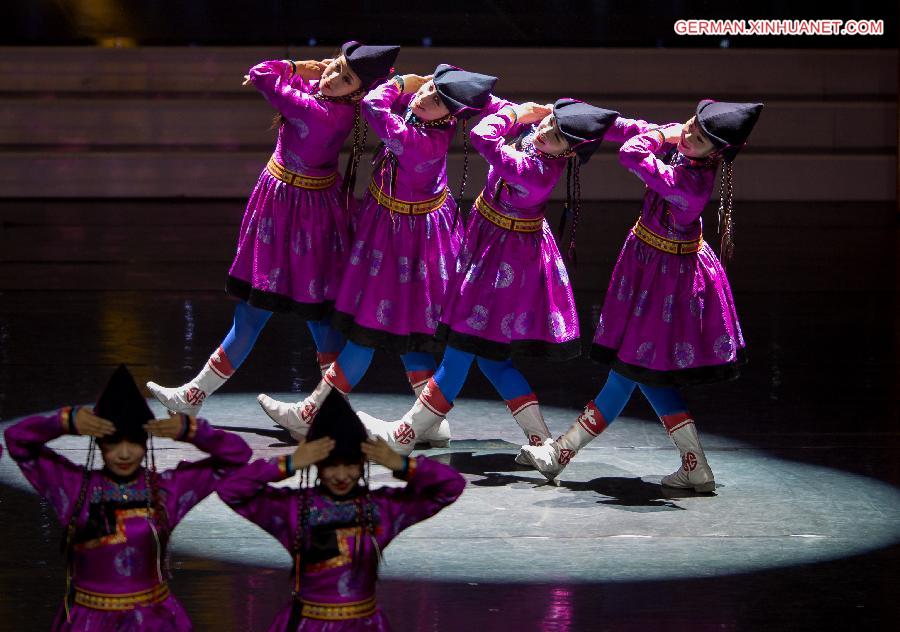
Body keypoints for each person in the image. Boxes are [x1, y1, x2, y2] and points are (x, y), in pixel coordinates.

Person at [518, 100, 764, 490]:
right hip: (650, 269)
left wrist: (661, 135)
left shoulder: (690, 184)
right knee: (645, 374)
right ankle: (694, 466)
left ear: (716, 153)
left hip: (669, 285)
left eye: (697, 139)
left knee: (628, 370)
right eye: (689, 126)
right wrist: (583, 123)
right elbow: (624, 131)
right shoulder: (680, 148)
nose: (686, 136)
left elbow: (632, 154)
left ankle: (560, 453)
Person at [258, 63, 505, 447]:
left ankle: (313, 413)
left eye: (436, 99)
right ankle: (432, 422)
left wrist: (407, 82)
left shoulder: (418, 138)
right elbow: (485, 102)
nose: (423, 98)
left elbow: (374, 104)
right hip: (394, 227)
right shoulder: (427, 117)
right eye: (428, 91)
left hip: (405, 242)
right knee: (404, 329)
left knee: (369, 327)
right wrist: (513, 109)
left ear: (452, 114)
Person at [147, 41, 400, 416]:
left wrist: (298, 67)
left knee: (309, 313)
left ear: (359, 91)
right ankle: (195, 395)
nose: (331, 78)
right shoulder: (338, 103)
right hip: (296, 206)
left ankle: (325, 408)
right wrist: (320, 73)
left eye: (344, 78)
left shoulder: (318, 111)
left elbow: (263, 73)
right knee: (265, 310)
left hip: (299, 214)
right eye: (335, 67)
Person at [361, 98, 624, 454]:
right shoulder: (539, 139)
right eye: (549, 123)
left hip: (504, 266)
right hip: (490, 249)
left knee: (460, 349)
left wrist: (518, 113)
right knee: (490, 357)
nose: (545, 130)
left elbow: (486, 137)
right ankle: (541, 440)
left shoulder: (535, 171)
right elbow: (493, 106)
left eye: (558, 136)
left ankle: (403, 436)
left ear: (571, 153)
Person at [3, 365, 252, 630]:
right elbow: (16, 441)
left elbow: (237, 456)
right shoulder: (74, 487)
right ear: (99, 443)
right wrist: (65, 421)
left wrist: (190, 429)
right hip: (88, 622)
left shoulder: (168, 491)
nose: (124, 454)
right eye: (113, 443)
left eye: (133, 442)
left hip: (153, 621)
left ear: (145, 443)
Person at [218, 390, 465, 630]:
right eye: (331, 466)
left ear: (362, 463)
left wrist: (399, 463)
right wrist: (290, 462)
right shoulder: (293, 508)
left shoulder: (380, 509)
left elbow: (451, 486)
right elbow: (230, 489)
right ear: (317, 462)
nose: (341, 476)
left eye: (350, 465)